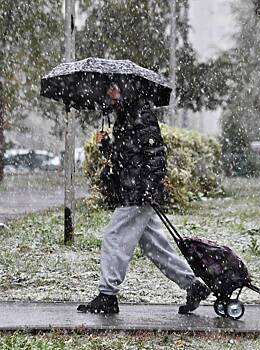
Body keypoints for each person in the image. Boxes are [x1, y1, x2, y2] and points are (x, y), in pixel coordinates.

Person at [77, 82, 210, 314]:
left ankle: (107, 296)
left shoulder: (140, 114)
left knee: (113, 236)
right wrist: (106, 146)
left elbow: (156, 154)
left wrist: (148, 188)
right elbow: (125, 158)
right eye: (108, 88)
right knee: (155, 247)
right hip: (134, 190)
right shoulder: (127, 116)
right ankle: (193, 285)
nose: (109, 93)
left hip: (138, 192)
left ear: (128, 89)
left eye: (113, 88)